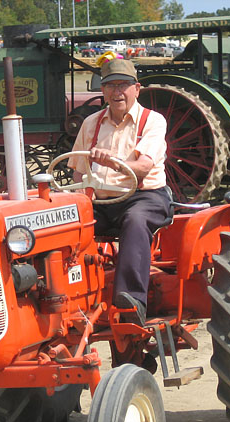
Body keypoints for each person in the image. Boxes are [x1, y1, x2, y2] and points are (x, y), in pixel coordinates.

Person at [67, 58, 170, 325]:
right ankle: (67, 297)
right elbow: (78, 170)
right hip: (102, 200)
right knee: (65, 224)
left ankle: (131, 301)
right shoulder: (91, 122)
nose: (117, 92)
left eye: (123, 85)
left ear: (137, 88)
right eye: (110, 86)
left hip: (144, 196)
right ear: (102, 91)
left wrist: (112, 161)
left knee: (135, 220)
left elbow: (143, 168)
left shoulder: (152, 121)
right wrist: (81, 201)